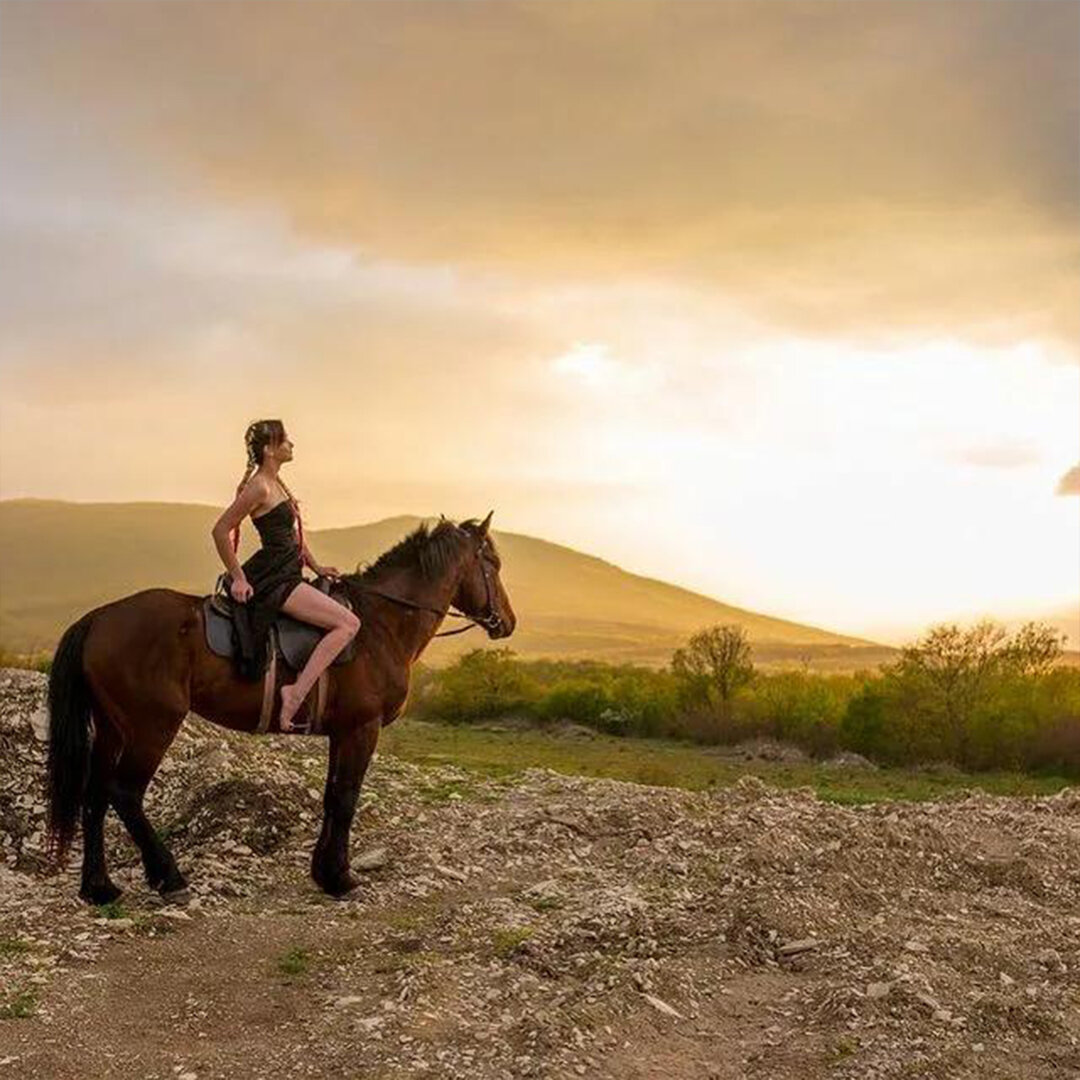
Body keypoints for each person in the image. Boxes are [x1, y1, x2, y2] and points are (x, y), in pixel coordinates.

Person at [211, 419, 361, 731]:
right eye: (284, 440)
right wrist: (238, 577)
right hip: (274, 578)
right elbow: (221, 530)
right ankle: (294, 695)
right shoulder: (259, 487)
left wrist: (316, 566)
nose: (291, 444)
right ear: (268, 449)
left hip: (288, 570)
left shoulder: (276, 483)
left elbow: (291, 537)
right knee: (348, 624)